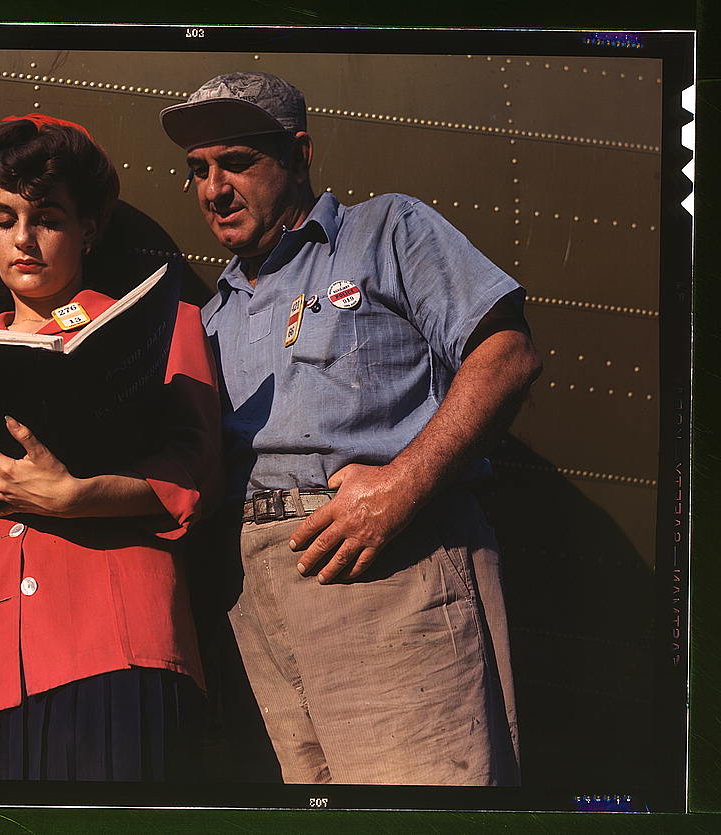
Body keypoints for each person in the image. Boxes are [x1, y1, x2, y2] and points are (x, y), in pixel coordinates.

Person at [160, 73, 542, 786]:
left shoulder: (386, 231)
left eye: (236, 162)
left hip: (386, 571)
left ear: (299, 154)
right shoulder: (212, 316)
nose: (214, 189)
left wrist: (401, 487)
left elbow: (507, 354)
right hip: (252, 605)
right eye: (198, 170)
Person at [0, 113, 221, 781]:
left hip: (105, 656)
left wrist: (76, 497)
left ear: (88, 227)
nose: (23, 238)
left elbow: (196, 469)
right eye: (4, 218)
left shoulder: (162, 325)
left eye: (46, 218)